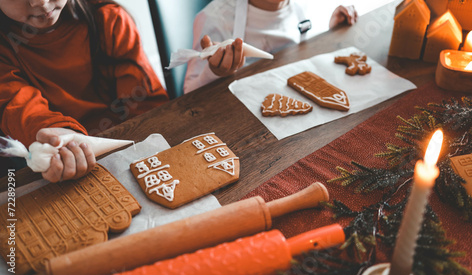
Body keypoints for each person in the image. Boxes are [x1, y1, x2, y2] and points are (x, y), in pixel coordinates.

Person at [0, 0, 168, 182]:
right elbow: (19, 108)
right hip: (59, 167)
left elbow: (146, 105)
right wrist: (60, 136)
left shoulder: (108, 18)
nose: (40, 2)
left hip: (132, 149)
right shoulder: (5, 49)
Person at [184, 0, 357, 93]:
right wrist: (215, 72)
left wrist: (331, 32)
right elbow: (189, 92)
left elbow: (305, 53)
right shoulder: (215, 19)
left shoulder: (306, 6)